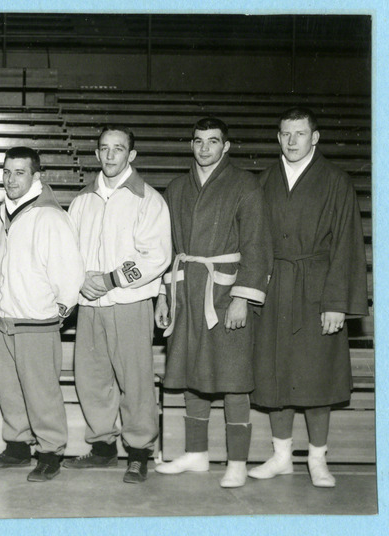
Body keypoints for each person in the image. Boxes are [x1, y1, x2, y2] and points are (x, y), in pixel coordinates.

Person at [248, 107, 368, 488]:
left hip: (318, 289)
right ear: (278, 137)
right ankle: (282, 456)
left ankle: (318, 459)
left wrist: (336, 302)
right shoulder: (264, 180)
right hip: (274, 287)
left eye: (300, 133)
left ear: (314, 137)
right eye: (285, 134)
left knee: (317, 377)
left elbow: (348, 245)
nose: (292, 141)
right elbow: (252, 241)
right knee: (275, 374)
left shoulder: (335, 181)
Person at [154, 117, 272, 488]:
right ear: (191, 145)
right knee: (193, 373)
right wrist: (163, 294)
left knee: (233, 378)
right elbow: (170, 248)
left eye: (213, 141)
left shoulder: (245, 185)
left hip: (226, 291)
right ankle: (196, 454)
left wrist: (242, 297)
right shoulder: (176, 187)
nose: (205, 148)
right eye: (199, 141)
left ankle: (237, 461)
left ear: (227, 146)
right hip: (187, 289)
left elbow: (257, 245)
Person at [66, 126, 171, 483]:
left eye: (119, 149)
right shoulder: (82, 200)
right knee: (92, 378)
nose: (111, 156)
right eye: (104, 149)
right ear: (96, 154)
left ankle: (139, 451)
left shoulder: (148, 199)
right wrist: (80, 281)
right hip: (89, 304)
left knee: (135, 379)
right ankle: (102, 447)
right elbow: (68, 254)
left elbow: (156, 255)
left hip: (129, 302)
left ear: (132, 155)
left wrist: (110, 279)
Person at [0, 147, 84, 482]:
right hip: (3, 319)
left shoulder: (50, 216)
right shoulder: (5, 213)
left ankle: (50, 451)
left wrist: (58, 310)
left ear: (36, 177)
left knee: (42, 392)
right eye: (6, 172)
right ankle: (17, 447)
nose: (11, 179)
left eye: (19, 172)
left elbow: (71, 272)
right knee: (9, 389)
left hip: (36, 321)